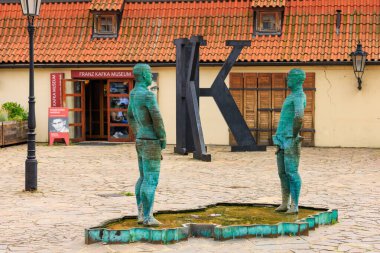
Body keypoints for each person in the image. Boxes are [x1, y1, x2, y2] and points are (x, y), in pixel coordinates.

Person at [127, 63, 166, 226]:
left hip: (141, 139)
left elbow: (129, 115)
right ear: (143, 75)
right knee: (151, 179)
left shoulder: (133, 94)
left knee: (143, 177)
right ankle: (148, 217)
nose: (151, 76)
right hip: (151, 141)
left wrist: (137, 132)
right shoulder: (148, 95)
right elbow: (157, 119)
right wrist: (162, 138)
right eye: (150, 74)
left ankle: (141, 214)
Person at [272, 68, 306, 214]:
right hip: (282, 139)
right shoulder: (292, 95)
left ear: (297, 79)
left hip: (290, 139)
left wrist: (293, 135)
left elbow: (299, 116)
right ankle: (285, 203)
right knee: (282, 173)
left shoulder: (299, 95)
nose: (288, 80)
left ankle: (295, 205)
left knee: (291, 172)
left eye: (290, 77)